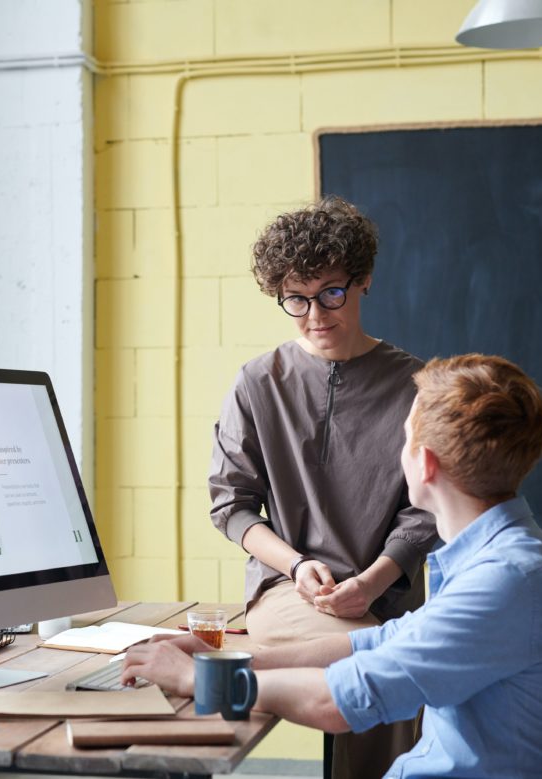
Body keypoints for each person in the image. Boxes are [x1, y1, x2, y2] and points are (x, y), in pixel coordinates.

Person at [123, 354, 542, 779]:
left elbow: (334, 703)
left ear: (426, 465)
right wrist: (223, 655)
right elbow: (372, 642)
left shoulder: (504, 583)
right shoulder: (505, 561)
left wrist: (194, 681)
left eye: (403, 438)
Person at [208, 196, 438, 777]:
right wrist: (295, 566)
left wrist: (374, 579)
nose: (315, 314)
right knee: (381, 672)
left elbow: (426, 511)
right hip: (290, 588)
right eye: (296, 300)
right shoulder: (258, 382)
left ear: (362, 282)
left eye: (331, 293)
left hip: (388, 590)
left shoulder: (414, 386)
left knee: (394, 681)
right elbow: (232, 505)